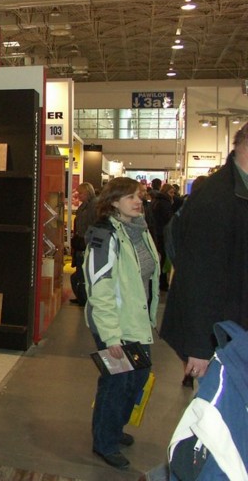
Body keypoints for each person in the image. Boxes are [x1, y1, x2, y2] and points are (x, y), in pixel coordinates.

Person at [161, 122, 248, 383]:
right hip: (223, 334)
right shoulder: (216, 199)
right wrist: (199, 347)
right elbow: (198, 276)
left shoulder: (238, 191)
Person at [83, 177, 160, 471]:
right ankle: (104, 441)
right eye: (130, 197)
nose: (138, 201)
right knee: (116, 382)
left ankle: (113, 428)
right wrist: (111, 336)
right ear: (114, 202)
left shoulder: (139, 229)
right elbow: (99, 288)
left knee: (138, 377)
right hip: (113, 324)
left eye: (139, 196)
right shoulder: (104, 235)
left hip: (135, 321)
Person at [69, 182, 97, 306]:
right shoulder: (86, 206)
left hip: (86, 244)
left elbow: (93, 225)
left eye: (81, 193)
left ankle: (84, 298)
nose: (78, 195)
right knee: (79, 273)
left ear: (88, 192)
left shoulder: (93, 206)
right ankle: (82, 297)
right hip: (82, 243)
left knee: (82, 274)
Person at [151, 183, 175, 291]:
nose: (173, 195)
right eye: (171, 192)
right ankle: (163, 282)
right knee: (163, 259)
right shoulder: (165, 203)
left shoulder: (156, 201)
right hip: (163, 234)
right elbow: (168, 219)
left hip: (157, 233)